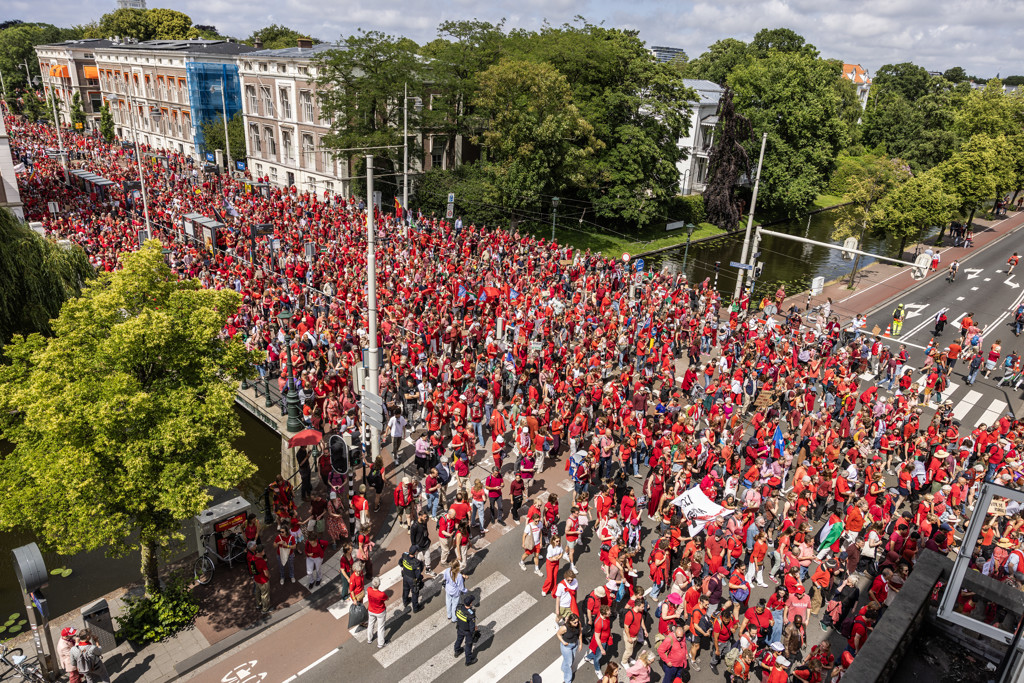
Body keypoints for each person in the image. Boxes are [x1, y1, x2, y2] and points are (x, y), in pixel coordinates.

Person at [556, 612, 583, 683]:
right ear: (570, 622)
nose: (576, 623)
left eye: (577, 622)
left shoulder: (578, 624)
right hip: (566, 647)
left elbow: (580, 633)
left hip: (575, 644)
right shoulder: (564, 628)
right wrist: (563, 642)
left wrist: (580, 644)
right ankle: (567, 680)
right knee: (569, 663)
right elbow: (558, 634)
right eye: (574, 622)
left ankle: (563, 668)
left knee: (571, 659)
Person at [454, 594, 479, 666]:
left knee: (459, 639)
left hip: (460, 628)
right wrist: (474, 632)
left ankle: (457, 650)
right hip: (467, 632)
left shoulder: (460, 607)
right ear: (470, 603)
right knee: (468, 645)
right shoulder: (471, 614)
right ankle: (468, 660)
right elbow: (471, 627)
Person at [401, 545, 424, 612]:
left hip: (405, 576)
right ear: (415, 552)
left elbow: (400, 563)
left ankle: (405, 601)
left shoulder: (404, 555)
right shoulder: (416, 562)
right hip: (412, 579)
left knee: (405, 589)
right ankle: (415, 608)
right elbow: (418, 574)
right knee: (415, 593)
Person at [366, 576, 388, 648]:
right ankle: (380, 643)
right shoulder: (381, 594)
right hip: (380, 611)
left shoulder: (369, 590)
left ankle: (369, 639)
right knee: (380, 627)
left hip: (371, 610)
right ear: (379, 585)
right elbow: (386, 598)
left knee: (370, 624)